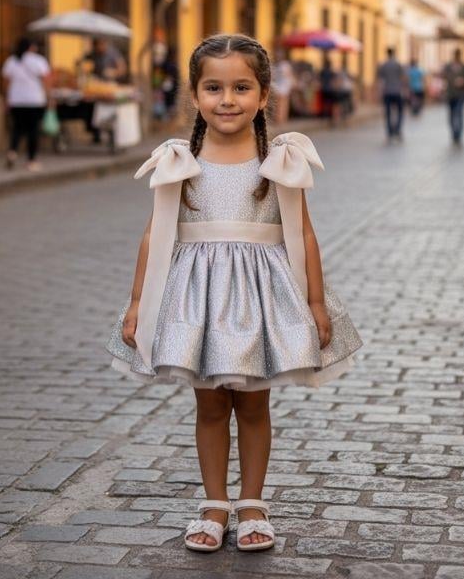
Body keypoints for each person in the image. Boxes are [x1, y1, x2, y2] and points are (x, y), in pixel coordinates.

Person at [105, 33, 363, 553]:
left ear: (263, 95)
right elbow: (156, 233)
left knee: (252, 407)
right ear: (195, 96)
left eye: (241, 87)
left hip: (260, 299)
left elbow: (304, 233)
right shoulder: (180, 160)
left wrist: (314, 302)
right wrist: (137, 305)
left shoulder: (280, 160)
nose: (227, 100)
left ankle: (251, 504)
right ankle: (214, 502)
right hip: (196, 299)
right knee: (208, 408)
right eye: (214, 88)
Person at [1, 36, 51, 171]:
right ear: (32, 47)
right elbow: (46, 80)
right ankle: (31, 160)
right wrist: (49, 97)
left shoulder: (11, 61)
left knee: (17, 128)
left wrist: (6, 99)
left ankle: (12, 152)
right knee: (33, 131)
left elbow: (6, 82)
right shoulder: (38, 61)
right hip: (34, 100)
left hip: (16, 100)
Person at [442, 48, 464, 146]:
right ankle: (454, 133)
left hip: (461, 94)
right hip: (451, 94)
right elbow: (443, 76)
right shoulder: (448, 67)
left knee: (459, 113)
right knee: (451, 115)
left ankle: (458, 134)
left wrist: (463, 82)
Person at [377, 47, 406, 142]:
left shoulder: (383, 65)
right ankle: (397, 129)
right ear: (394, 53)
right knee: (400, 112)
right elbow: (403, 78)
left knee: (388, 112)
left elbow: (380, 79)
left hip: (387, 91)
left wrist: (378, 92)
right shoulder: (398, 64)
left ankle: (389, 131)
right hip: (398, 91)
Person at [270, 48, 296, 124]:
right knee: (281, 105)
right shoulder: (283, 65)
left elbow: (288, 75)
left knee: (281, 105)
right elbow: (289, 75)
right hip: (280, 87)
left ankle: (280, 120)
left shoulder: (281, 65)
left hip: (281, 87)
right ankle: (280, 120)